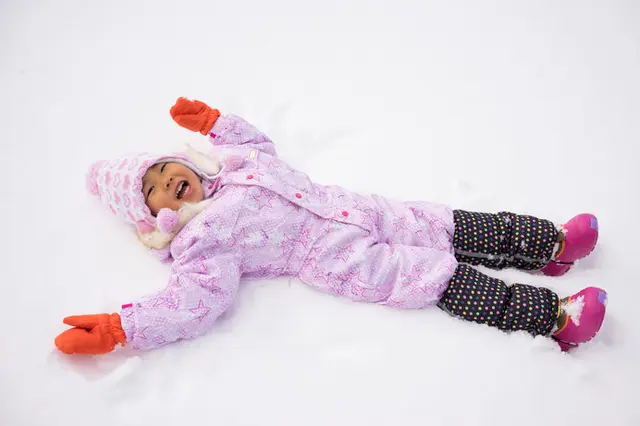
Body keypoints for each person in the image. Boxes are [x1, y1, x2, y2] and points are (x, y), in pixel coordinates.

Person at [54, 98, 606, 355]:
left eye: (163, 172)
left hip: (367, 209)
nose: (164, 185)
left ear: (184, 164)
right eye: (149, 194)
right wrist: (127, 326)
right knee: (431, 275)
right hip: (339, 259)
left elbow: (253, 143)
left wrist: (218, 123)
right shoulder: (200, 243)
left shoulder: (240, 165)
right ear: (156, 221)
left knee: (449, 224)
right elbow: (196, 302)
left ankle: (550, 243)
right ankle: (558, 318)